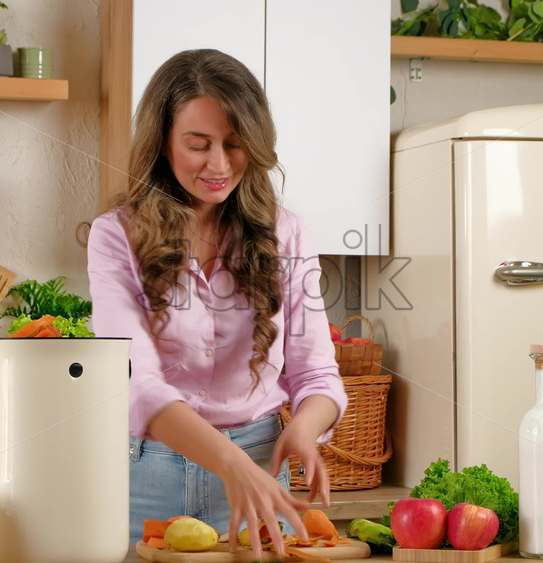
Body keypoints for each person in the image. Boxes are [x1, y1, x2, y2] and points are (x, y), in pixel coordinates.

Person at [86, 49, 348, 558]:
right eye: (198, 144)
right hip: (146, 477)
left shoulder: (285, 232)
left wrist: (304, 428)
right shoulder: (116, 235)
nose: (220, 164)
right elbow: (135, 383)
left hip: (260, 471)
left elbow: (317, 375)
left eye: (235, 144)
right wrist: (230, 464)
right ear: (163, 142)